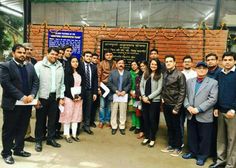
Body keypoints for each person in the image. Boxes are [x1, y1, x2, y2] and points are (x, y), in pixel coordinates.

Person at [0, 44, 39, 164]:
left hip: (27, 104)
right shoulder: (5, 66)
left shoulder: (30, 66)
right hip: (12, 104)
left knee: (22, 129)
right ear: (13, 53)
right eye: (19, 52)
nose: (22, 55)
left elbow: (36, 82)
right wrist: (22, 97)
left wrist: (32, 95)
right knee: (9, 129)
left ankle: (18, 149)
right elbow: (6, 84)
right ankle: (6, 153)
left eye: (24, 52)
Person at [182, 61, 218, 166]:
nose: (201, 70)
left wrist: (198, 109)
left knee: (204, 137)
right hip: (190, 113)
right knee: (192, 135)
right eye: (199, 68)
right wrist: (188, 106)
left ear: (207, 70)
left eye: (204, 68)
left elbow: (212, 99)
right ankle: (193, 152)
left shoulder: (213, 82)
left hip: (204, 114)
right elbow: (185, 96)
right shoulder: (190, 81)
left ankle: (202, 156)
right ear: (196, 69)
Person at [34, 47, 65, 152]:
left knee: (52, 120)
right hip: (42, 97)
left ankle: (50, 139)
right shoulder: (39, 65)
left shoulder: (60, 66)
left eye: (56, 55)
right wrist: (36, 99)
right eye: (52, 54)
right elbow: (35, 83)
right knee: (40, 121)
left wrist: (61, 97)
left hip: (54, 97)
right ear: (47, 53)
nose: (54, 56)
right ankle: (38, 140)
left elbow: (62, 84)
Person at [209, 52, 236, 168]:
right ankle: (221, 161)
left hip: (232, 113)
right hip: (220, 111)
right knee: (221, 138)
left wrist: (234, 109)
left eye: (230, 60)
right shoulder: (220, 74)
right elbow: (217, 92)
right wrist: (216, 107)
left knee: (232, 140)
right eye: (225, 60)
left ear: (235, 61)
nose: (227, 62)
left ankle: (230, 164)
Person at [161, 55, 186, 157]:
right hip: (166, 104)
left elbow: (182, 92)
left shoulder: (180, 75)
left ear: (175, 63)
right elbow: (163, 88)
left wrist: (177, 107)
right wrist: (163, 98)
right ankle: (171, 145)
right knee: (169, 126)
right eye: (166, 61)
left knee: (177, 127)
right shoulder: (165, 73)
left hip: (175, 106)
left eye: (170, 61)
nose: (168, 63)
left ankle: (178, 147)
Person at [140, 58, 163, 147]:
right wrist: (143, 96)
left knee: (152, 120)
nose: (153, 66)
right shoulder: (145, 73)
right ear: (149, 65)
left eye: (155, 64)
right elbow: (141, 85)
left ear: (158, 66)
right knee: (145, 119)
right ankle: (147, 137)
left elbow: (159, 89)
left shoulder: (159, 75)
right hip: (144, 100)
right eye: (152, 64)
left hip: (154, 101)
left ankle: (152, 138)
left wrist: (149, 97)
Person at [59, 56, 82, 143]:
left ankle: (74, 134)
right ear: (69, 63)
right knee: (68, 116)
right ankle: (67, 134)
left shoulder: (80, 73)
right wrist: (72, 97)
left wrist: (80, 96)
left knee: (76, 116)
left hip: (78, 98)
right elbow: (66, 87)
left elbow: (83, 86)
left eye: (76, 61)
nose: (75, 63)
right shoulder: (67, 73)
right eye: (73, 61)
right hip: (69, 98)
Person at [108, 58, 131, 135]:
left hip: (124, 95)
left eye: (122, 63)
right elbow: (109, 83)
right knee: (114, 111)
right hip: (115, 94)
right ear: (116, 64)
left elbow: (129, 84)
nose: (121, 64)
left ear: (124, 65)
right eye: (119, 63)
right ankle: (114, 126)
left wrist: (124, 91)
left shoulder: (128, 73)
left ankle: (122, 127)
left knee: (123, 111)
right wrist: (116, 91)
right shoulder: (112, 73)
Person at [205, 53, 222, 162]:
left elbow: (220, 92)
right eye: (208, 60)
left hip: (215, 107)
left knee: (216, 132)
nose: (210, 61)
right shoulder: (206, 72)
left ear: (217, 61)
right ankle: (208, 151)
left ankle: (216, 154)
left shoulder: (220, 73)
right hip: (205, 106)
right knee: (208, 131)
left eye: (212, 59)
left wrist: (217, 107)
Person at [79, 51, 98, 135]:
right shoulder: (79, 65)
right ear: (83, 57)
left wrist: (95, 93)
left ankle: (86, 126)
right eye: (87, 56)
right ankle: (77, 127)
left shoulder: (94, 67)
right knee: (79, 109)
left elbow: (95, 81)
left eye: (90, 56)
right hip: (80, 91)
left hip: (90, 91)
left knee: (88, 109)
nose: (89, 58)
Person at [22, 43, 38, 143]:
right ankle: (16, 137)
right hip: (19, 94)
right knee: (17, 117)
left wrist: (33, 94)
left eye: (30, 49)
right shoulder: (15, 62)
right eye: (26, 49)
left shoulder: (34, 62)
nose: (28, 51)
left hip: (30, 94)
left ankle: (27, 135)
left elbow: (36, 79)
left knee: (27, 115)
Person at [180, 55, 197, 147]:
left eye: (189, 61)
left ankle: (192, 144)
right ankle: (181, 141)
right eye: (185, 61)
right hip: (180, 102)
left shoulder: (195, 74)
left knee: (191, 125)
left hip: (191, 103)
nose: (187, 63)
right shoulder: (180, 73)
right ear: (183, 63)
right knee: (180, 123)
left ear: (192, 63)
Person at [97, 50, 116, 128]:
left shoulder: (115, 63)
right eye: (107, 55)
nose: (109, 56)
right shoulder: (101, 63)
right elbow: (98, 75)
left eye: (110, 54)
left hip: (111, 86)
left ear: (112, 55)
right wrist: (98, 87)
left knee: (109, 105)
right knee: (102, 105)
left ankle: (108, 121)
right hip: (103, 86)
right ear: (104, 56)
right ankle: (101, 121)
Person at [128, 61, 142, 134]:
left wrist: (137, 93)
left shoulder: (141, 73)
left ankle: (138, 126)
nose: (133, 66)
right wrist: (130, 91)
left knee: (138, 110)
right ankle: (133, 125)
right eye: (132, 65)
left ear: (138, 65)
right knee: (132, 110)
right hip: (131, 94)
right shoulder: (129, 73)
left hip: (138, 95)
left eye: (135, 64)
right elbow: (128, 83)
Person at [136, 61, 148, 139]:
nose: (142, 67)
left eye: (144, 66)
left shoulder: (150, 75)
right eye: (141, 66)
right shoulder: (139, 76)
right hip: (141, 99)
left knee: (148, 117)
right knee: (141, 116)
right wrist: (140, 95)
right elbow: (137, 88)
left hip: (149, 99)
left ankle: (147, 132)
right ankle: (142, 131)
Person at [90, 53, 99, 128]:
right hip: (89, 89)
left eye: (96, 58)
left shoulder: (98, 66)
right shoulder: (88, 66)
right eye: (94, 58)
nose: (95, 59)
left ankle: (91, 121)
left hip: (96, 89)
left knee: (94, 106)